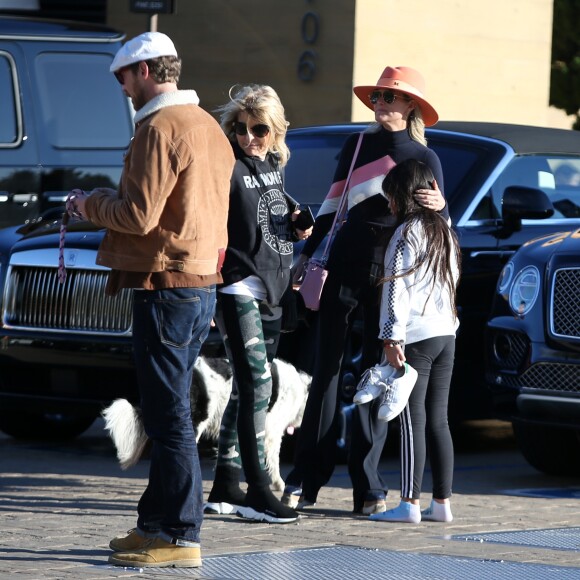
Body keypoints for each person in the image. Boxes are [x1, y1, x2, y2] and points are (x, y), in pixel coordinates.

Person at [71, 32, 235, 568]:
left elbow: (137, 216)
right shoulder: (208, 126)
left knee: (169, 420)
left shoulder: (160, 127)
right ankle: (154, 525)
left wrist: (87, 202)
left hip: (165, 286)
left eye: (122, 77)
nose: (121, 89)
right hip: (198, 282)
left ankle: (181, 535)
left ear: (143, 71)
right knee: (171, 414)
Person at [283, 66, 448, 515]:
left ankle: (369, 488)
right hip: (346, 266)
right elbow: (333, 207)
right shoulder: (356, 146)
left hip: (395, 275)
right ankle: (304, 479)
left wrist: (441, 206)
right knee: (327, 374)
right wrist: (305, 255)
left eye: (390, 97)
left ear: (410, 104)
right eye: (376, 96)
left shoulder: (425, 158)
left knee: (378, 378)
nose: (380, 104)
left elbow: (438, 230)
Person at [204, 85, 312, 524]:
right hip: (238, 287)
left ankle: (226, 482)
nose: (249, 137)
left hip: (274, 286)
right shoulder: (227, 166)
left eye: (259, 130)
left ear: (275, 131)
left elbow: (268, 218)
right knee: (257, 386)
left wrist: (297, 226)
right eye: (241, 129)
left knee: (248, 388)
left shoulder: (272, 165)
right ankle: (259, 491)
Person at [369, 159, 460, 523]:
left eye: (391, 197)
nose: (389, 204)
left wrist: (392, 336)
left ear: (404, 197)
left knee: (411, 418)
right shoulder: (446, 231)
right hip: (446, 333)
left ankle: (408, 504)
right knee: (440, 419)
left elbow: (396, 288)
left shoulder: (405, 233)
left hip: (417, 338)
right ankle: (442, 504)